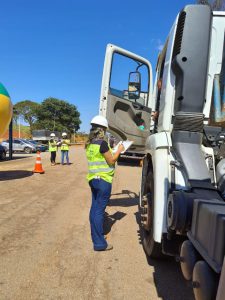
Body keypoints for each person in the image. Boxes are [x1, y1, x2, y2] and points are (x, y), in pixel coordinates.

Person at [85, 115, 124, 251]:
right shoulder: (102, 143)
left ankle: (96, 236)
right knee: (99, 211)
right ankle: (100, 244)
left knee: (94, 209)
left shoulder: (89, 144)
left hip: (93, 180)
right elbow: (111, 161)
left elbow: (100, 157)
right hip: (103, 181)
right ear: (102, 130)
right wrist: (119, 150)